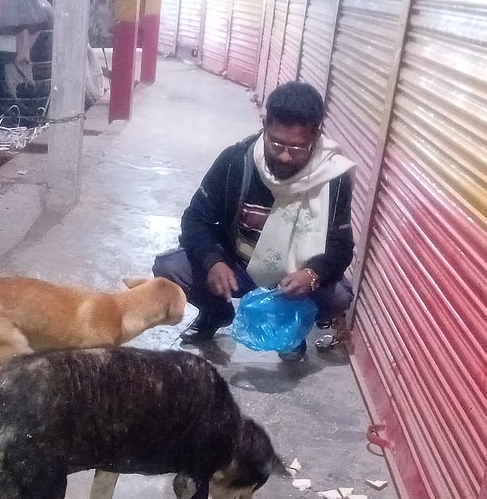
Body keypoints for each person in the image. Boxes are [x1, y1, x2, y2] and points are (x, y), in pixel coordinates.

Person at [153, 81, 356, 362]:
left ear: (316, 134)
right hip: (239, 266)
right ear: (265, 124)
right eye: (277, 143)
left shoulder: (333, 176)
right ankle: (216, 313)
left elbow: (341, 245)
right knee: (170, 267)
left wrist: (311, 274)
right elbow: (195, 218)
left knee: (338, 296)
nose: (286, 156)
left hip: (291, 277)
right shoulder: (237, 161)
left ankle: (291, 329)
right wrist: (214, 261)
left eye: (299, 148)